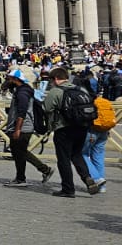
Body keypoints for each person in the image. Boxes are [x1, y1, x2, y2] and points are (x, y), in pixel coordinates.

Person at [43, 67, 104, 198]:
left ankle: (68, 189)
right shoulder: (80, 89)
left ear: (55, 79)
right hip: (82, 127)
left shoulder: (56, 91)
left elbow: (47, 108)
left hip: (64, 128)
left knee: (63, 159)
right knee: (77, 155)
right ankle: (88, 178)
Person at [1, 69, 53, 187]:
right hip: (21, 126)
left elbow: (22, 112)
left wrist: (17, 129)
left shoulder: (22, 93)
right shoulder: (23, 90)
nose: (7, 81)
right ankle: (28, 175)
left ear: (15, 80)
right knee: (18, 151)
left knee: (20, 152)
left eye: (9, 79)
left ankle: (25, 177)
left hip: (23, 127)